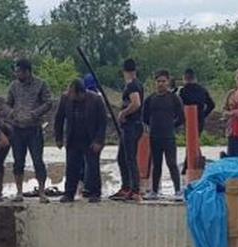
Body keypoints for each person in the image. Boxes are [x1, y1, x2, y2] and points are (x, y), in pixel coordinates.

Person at [6, 59, 52, 203]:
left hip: (34, 129)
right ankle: (19, 192)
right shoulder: (13, 86)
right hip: (17, 128)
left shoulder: (41, 84)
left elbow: (48, 102)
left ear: (27, 71)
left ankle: (42, 192)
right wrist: (12, 113)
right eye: (16, 71)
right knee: (18, 161)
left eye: (19, 71)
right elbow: (7, 104)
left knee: (38, 161)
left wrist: (36, 113)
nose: (17, 73)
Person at [53, 78, 106, 203]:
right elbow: (59, 119)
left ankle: (95, 193)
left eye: (72, 93)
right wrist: (59, 138)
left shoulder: (96, 100)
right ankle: (69, 193)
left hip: (90, 139)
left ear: (81, 93)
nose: (69, 95)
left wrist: (99, 140)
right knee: (71, 167)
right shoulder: (65, 99)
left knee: (92, 167)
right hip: (73, 139)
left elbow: (103, 122)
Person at [143, 69, 184, 199]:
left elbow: (182, 117)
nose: (161, 84)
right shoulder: (150, 99)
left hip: (169, 136)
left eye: (163, 81)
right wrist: (153, 126)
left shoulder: (174, 98)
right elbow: (144, 117)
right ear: (155, 83)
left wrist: (171, 125)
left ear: (168, 82)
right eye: (158, 81)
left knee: (171, 163)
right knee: (156, 164)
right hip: (155, 136)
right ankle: (154, 191)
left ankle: (178, 190)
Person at [113, 59, 144, 202]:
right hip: (132, 126)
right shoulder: (137, 84)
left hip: (132, 125)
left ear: (124, 71)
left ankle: (135, 189)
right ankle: (126, 187)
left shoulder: (132, 85)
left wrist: (123, 113)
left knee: (129, 158)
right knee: (122, 157)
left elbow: (136, 103)